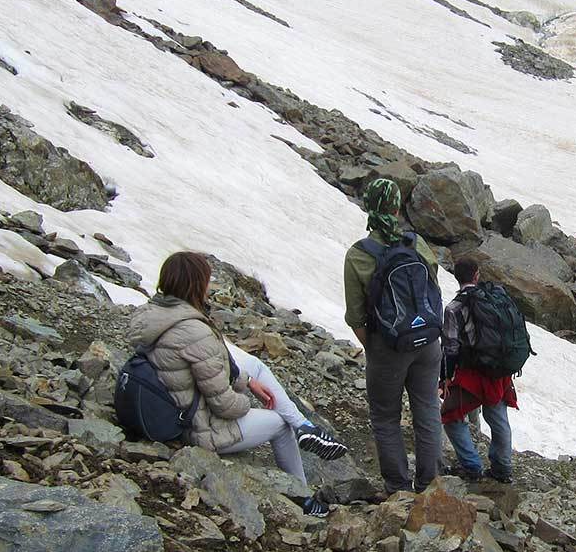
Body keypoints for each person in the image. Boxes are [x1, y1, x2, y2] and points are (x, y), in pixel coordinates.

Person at [128, 250, 340, 516]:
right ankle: (303, 498)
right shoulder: (195, 331)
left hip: (168, 405)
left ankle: (305, 426)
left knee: (254, 367)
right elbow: (224, 405)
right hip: (195, 428)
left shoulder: (154, 316)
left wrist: (247, 381)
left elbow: (204, 368)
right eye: (206, 280)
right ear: (196, 284)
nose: (209, 287)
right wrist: (248, 402)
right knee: (279, 424)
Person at [344, 177, 444, 493]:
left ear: (370, 207)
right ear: (397, 207)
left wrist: (376, 348)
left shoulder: (359, 255)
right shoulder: (416, 243)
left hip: (388, 346)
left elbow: (356, 316)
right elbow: (432, 287)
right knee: (427, 409)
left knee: (386, 417)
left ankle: (398, 488)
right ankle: (429, 483)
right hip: (428, 341)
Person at [441, 257, 520, 484]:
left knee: (450, 416)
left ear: (457, 277)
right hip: (499, 372)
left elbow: (450, 347)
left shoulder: (453, 308)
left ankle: (472, 466)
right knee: (498, 417)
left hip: (471, 375)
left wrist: (445, 377)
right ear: (477, 275)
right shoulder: (495, 298)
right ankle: (502, 467)